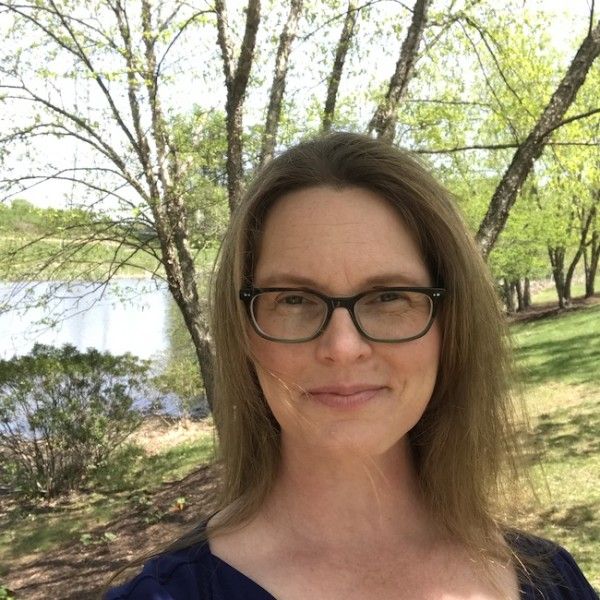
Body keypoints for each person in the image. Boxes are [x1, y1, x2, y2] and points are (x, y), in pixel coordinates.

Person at [106, 132, 598, 599]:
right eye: (294, 299)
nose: (343, 347)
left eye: (389, 296)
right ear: (245, 334)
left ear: (451, 326)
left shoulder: (549, 582)